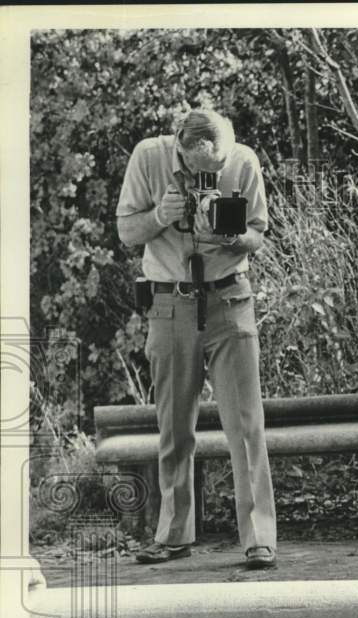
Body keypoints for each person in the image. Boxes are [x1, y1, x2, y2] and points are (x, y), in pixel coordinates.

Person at [116, 108, 277, 569]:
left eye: (216, 171)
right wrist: (160, 217)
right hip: (169, 303)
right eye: (198, 172)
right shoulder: (148, 158)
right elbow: (127, 230)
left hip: (230, 299)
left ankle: (258, 538)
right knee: (174, 427)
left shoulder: (243, 162)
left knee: (246, 426)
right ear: (179, 150)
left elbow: (258, 235)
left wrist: (230, 234)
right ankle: (173, 535)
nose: (208, 179)